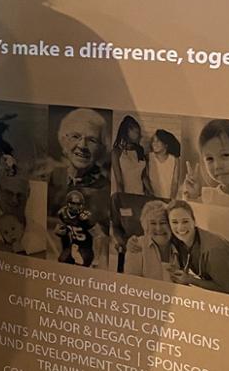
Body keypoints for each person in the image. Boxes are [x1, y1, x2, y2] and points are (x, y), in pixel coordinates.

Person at [42, 108, 111, 268]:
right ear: (63, 141)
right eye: (75, 136)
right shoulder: (50, 177)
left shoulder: (105, 188)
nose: (82, 145)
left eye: (92, 140)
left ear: (101, 148)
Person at [165, 200, 229, 297]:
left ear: (194, 221)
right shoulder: (178, 241)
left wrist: (190, 279)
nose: (180, 227)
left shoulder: (214, 249)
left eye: (185, 221)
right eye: (175, 222)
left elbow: (224, 288)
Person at [189, 119, 229, 210]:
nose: (217, 166)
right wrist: (193, 197)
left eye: (225, 155)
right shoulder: (205, 197)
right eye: (210, 159)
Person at [123, 200, 177, 281]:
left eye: (163, 222)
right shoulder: (137, 245)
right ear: (146, 226)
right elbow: (131, 284)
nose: (158, 228)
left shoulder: (179, 246)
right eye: (153, 223)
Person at [111, 115, 150, 195]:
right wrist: (121, 202)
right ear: (128, 131)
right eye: (137, 133)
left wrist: (151, 193)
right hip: (125, 195)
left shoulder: (140, 150)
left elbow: (143, 176)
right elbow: (119, 182)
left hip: (140, 195)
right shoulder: (116, 152)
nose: (140, 136)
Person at [147, 129, 183, 199]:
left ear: (166, 144)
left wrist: (171, 200)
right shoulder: (149, 157)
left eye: (158, 141)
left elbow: (175, 183)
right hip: (152, 198)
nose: (154, 143)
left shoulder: (175, 160)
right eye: (153, 141)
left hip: (169, 198)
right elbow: (145, 178)